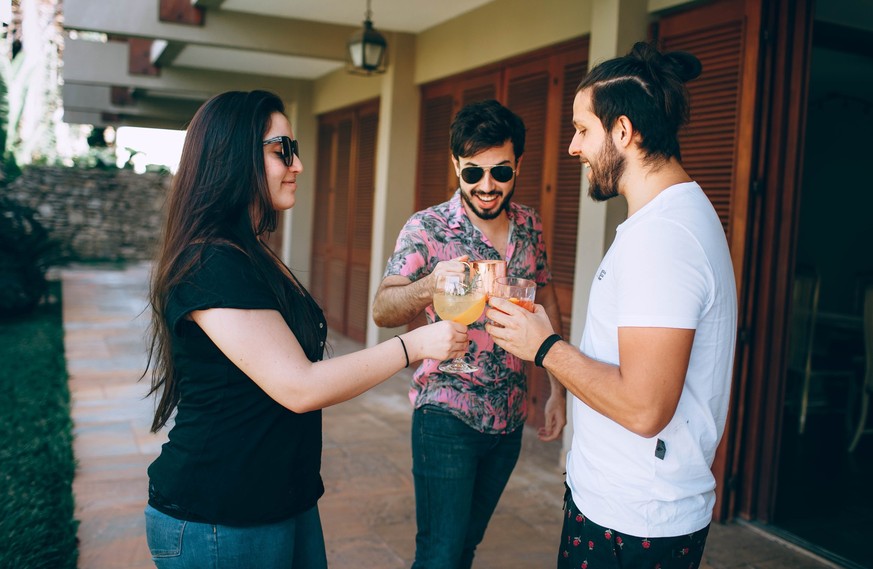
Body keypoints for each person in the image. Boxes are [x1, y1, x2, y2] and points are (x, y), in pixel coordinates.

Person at [141, 90, 468, 569]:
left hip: (280, 499)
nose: (297, 164)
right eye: (281, 150)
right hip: (219, 518)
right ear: (233, 157)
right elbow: (299, 385)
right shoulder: (210, 262)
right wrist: (415, 344)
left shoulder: (248, 251)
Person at [486, 42, 738, 568]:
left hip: (634, 521)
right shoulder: (667, 220)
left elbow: (645, 409)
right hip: (623, 507)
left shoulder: (663, 237)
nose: (573, 147)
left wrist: (545, 347)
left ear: (623, 132)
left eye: (582, 129)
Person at [372, 99, 566, 568]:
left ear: (518, 163)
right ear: (456, 165)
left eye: (500, 172)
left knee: (463, 550)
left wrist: (559, 386)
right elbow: (383, 307)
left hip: (509, 417)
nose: (486, 186)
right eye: (472, 172)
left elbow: (546, 296)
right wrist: (431, 283)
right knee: (439, 555)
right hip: (446, 413)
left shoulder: (530, 225)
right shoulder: (428, 228)